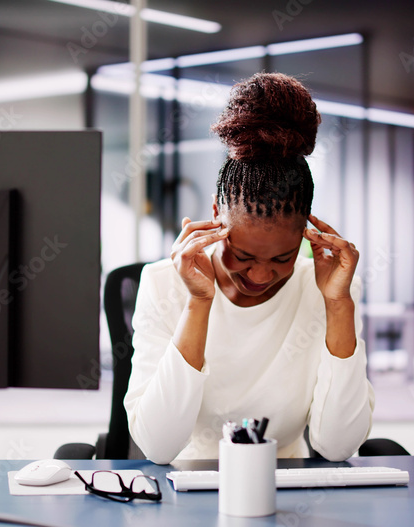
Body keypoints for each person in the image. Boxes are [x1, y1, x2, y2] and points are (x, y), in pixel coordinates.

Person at [124, 72, 374, 464]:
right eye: (242, 256)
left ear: (307, 233)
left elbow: (337, 446)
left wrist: (339, 305)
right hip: (190, 487)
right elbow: (157, 447)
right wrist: (198, 303)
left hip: (288, 485)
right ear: (213, 218)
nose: (260, 276)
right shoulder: (162, 285)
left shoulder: (328, 291)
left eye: (281, 259)